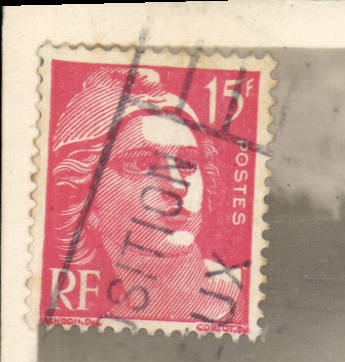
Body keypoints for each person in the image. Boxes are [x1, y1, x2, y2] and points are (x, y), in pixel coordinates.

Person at [44, 66, 242, 327]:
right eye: (143, 164)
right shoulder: (81, 313)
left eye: (188, 162)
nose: (176, 184)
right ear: (84, 198)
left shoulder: (241, 293)